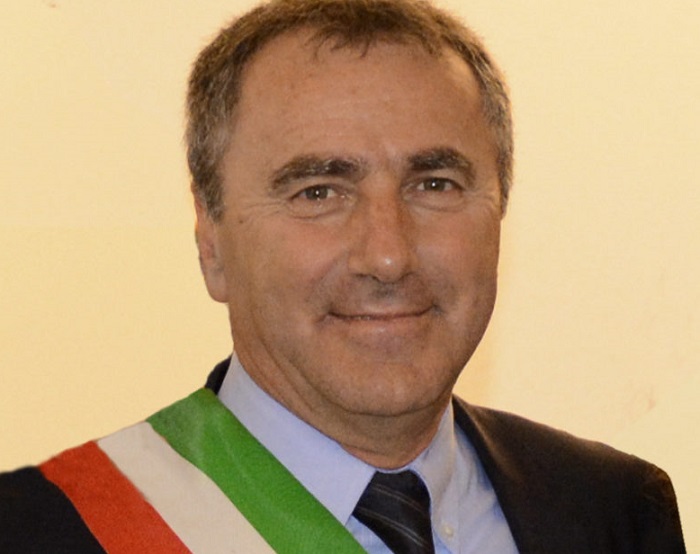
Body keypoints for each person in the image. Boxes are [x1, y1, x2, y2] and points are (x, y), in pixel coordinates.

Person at [0, 0, 686, 552]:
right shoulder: (42, 533)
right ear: (211, 242)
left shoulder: (615, 513)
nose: (388, 256)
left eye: (435, 184)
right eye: (319, 192)